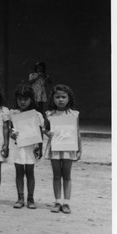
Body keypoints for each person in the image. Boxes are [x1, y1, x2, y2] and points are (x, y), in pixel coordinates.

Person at [44, 84, 81, 214]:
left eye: (63, 97)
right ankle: (57, 201)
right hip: (54, 147)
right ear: (52, 99)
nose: (60, 100)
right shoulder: (49, 114)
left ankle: (66, 203)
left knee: (67, 175)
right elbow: (46, 129)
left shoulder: (74, 114)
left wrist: (79, 148)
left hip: (69, 148)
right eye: (57, 97)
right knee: (56, 175)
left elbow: (77, 132)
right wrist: (46, 133)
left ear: (69, 98)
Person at [8, 84, 44, 209]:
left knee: (30, 172)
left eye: (26, 99)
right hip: (18, 147)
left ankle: (31, 198)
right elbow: (10, 130)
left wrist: (40, 147)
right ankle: (20, 198)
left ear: (31, 100)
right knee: (19, 172)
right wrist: (12, 134)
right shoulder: (13, 113)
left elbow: (39, 133)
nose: (22, 102)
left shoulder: (37, 115)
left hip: (30, 147)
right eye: (20, 99)